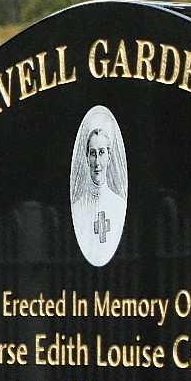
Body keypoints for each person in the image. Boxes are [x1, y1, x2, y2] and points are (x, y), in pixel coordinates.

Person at [69, 105, 129, 266]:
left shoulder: (118, 203)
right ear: (87, 157)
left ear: (109, 157)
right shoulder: (78, 207)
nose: (97, 162)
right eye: (93, 153)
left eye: (102, 153)